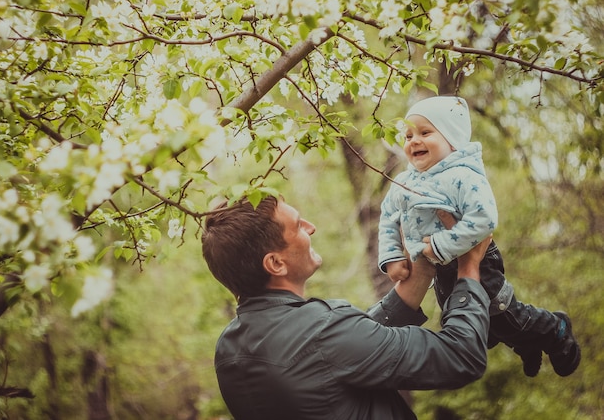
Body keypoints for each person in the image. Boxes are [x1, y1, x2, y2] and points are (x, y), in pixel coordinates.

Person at [201, 194, 491, 420]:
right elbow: (462, 355)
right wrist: (469, 267)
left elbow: (334, 358)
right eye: (298, 225)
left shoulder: (228, 349)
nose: (311, 228)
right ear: (276, 263)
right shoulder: (323, 332)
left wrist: (417, 278)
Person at [378, 95, 581, 378]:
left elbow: (484, 219)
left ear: (452, 139)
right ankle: (526, 344)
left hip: (477, 255)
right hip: (439, 266)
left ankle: (555, 328)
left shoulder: (463, 175)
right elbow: (388, 216)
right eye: (408, 134)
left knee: (503, 313)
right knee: (479, 328)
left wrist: (441, 244)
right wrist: (391, 256)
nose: (413, 140)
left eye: (425, 133)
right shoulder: (404, 182)